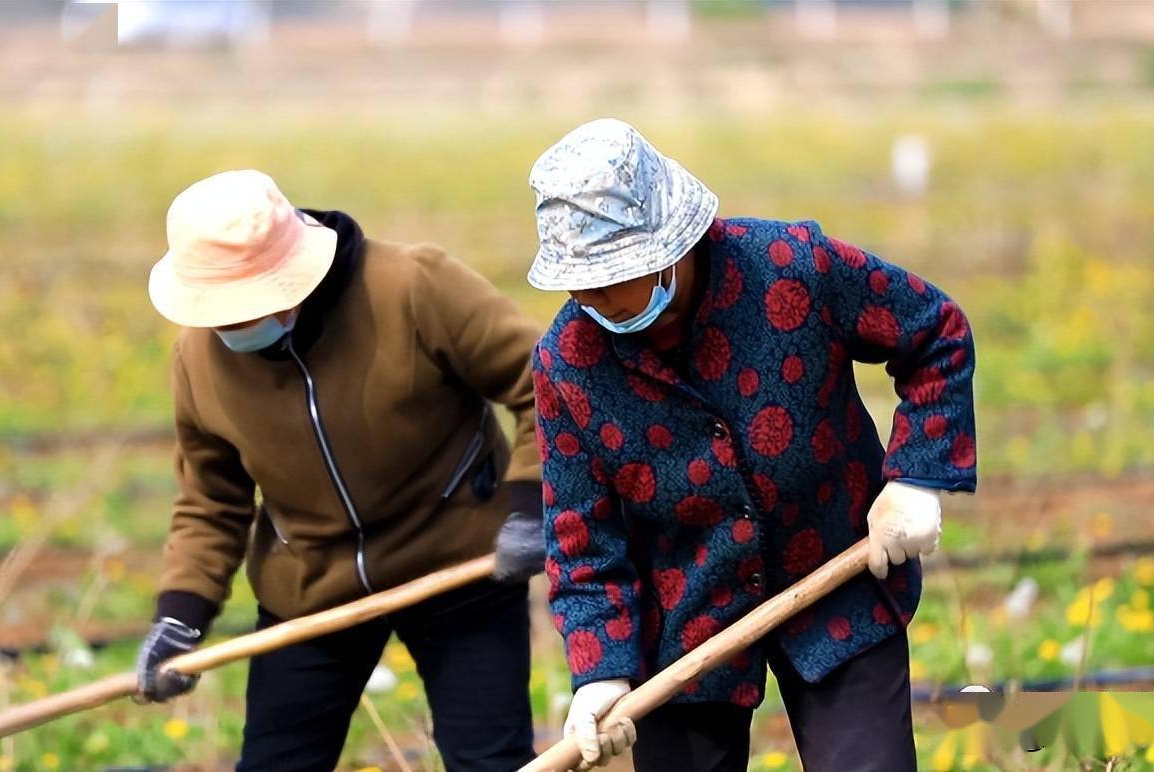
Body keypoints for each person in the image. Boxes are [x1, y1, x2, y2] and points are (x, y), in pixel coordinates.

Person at [527, 119, 977, 771]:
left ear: (668, 248)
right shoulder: (568, 365)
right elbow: (581, 538)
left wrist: (915, 478)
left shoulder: (792, 269)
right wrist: (601, 669)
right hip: (682, 623)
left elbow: (935, 333)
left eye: (609, 275)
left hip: (836, 578)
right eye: (578, 278)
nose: (590, 297)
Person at [135, 169, 544, 771]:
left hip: (457, 567)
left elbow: (546, 385)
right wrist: (180, 614)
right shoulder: (198, 360)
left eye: (241, 311)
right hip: (311, 589)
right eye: (216, 314)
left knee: (490, 761)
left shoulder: (413, 287)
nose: (227, 328)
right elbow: (210, 502)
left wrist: (530, 503)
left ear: (290, 281)